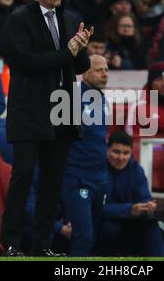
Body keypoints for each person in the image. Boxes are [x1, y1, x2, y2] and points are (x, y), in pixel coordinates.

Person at [1, 0, 92, 257]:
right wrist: (69, 52)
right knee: (23, 177)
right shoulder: (18, 20)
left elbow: (80, 67)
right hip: (29, 110)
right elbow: (28, 62)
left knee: (52, 182)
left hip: (62, 110)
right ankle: (12, 244)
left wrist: (81, 49)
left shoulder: (71, 18)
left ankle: (41, 245)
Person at [61, 54, 109, 256]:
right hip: (77, 176)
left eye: (107, 69)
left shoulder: (102, 99)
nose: (105, 74)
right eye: (99, 70)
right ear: (85, 72)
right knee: (84, 236)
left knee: (93, 236)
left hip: (98, 176)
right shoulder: (72, 97)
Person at [97, 131, 164, 257]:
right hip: (104, 224)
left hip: (130, 222)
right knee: (110, 229)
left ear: (131, 152)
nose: (121, 157)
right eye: (116, 152)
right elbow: (95, 208)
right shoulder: (97, 170)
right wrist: (129, 209)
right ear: (107, 150)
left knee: (151, 224)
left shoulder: (136, 169)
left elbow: (144, 198)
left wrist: (148, 206)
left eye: (126, 153)